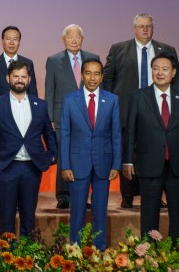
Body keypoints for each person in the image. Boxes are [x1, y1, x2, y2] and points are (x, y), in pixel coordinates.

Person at [103, 14, 179, 209]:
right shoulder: (118, 49)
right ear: (134, 28)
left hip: (158, 111)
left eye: (148, 26)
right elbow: (108, 79)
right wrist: (111, 105)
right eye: (141, 26)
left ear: (153, 28)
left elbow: (177, 82)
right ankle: (127, 196)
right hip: (127, 109)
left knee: (156, 153)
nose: (145, 29)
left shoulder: (167, 50)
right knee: (127, 152)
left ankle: (155, 196)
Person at [123, 54, 179, 240]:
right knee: (149, 214)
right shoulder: (139, 97)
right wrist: (127, 161)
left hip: (177, 164)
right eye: (156, 68)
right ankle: (150, 255)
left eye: (165, 69)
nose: (160, 73)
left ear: (173, 72)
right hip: (148, 164)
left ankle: (177, 252)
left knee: (177, 214)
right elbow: (130, 131)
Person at [0, 61, 57, 237]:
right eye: (16, 76)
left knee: (29, 218)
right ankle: (8, 259)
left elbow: (48, 133)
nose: (20, 80)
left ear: (29, 79)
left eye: (23, 76)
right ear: (8, 78)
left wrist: (54, 154)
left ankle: (26, 259)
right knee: (6, 217)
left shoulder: (41, 105)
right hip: (7, 167)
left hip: (32, 168)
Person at [59, 59, 121, 251]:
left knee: (100, 210)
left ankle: (99, 249)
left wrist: (116, 164)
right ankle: (75, 249)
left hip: (104, 162)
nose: (92, 78)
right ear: (82, 75)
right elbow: (65, 134)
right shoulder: (70, 100)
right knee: (77, 210)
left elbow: (116, 133)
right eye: (88, 73)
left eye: (96, 74)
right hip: (77, 163)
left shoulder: (112, 100)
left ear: (102, 77)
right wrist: (65, 165)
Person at [44, 24, 100, 209]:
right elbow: (50, 91)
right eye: (70, 38)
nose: (74, 41)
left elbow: (100, 91)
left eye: (77, 37)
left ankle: (83, 196)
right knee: (64, 155)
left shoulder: (93, 58)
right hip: (62, 116)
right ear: (64, 40)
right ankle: (63, 196)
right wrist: (50, 119)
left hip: (88, 116)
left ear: (82, 39)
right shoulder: (53, 60)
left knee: (84, 155)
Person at [0, 25, 38, 210]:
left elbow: (34, 94)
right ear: (2, 41)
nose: (12, 42)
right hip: (2, 123)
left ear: (19, 42)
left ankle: (21, 197)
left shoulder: (28, 63)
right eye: (8, 38)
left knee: (23, 161)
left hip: (24, 122)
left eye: (16, 39)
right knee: (1, 161)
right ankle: (0, 197)